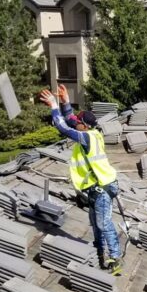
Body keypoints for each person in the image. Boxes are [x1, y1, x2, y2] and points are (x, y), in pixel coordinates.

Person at [38, 85, 123, 274]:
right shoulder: (91, 132)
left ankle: (115, 258)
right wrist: (65, 102)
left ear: (84, 126)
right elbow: (69, 119)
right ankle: (100, 251)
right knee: (96, 223)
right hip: (94, 188)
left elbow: (62, 127)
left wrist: (53, 105)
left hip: (102, 188)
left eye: (79, 121)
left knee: (104, 223)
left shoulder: (87, 138)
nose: (75, 122)